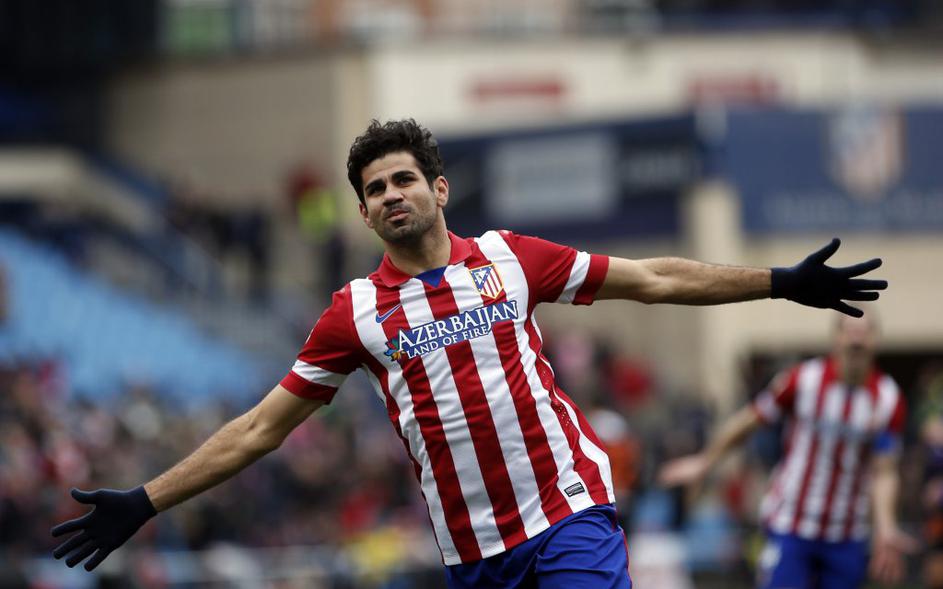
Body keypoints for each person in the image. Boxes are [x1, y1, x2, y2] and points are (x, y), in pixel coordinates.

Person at [51, 119, 889, 588]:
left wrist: (778, 283)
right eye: (374, 190)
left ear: (438, 188)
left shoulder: (508, 258)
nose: (390, 194)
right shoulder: (354, 314)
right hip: (473, 553)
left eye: (402, 179)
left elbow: (653, 278)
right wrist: (147, 499)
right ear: (364, 215)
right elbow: (259, 429)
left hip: (567, 512)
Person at [658, 310, 914, 589]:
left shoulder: (888, 399)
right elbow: (750, 420)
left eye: (864, 332)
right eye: (850, 331)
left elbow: (884, 470)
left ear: (876, 340)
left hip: (846, 532)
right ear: (836, 338)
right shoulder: (803, 380)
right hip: (791, 523)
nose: (856, 340)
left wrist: (886, 526)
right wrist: (705, 461)